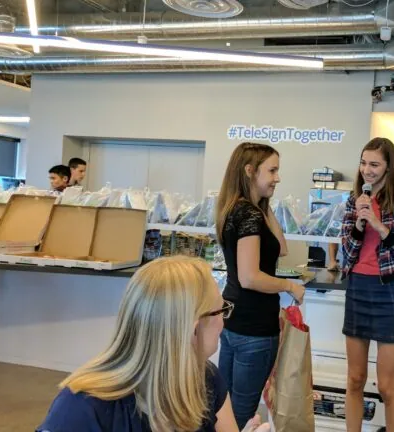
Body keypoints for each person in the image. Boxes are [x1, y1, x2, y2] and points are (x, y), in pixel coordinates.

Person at [36, 256, 270, 432]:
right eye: (222, 310)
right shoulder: (82, 408)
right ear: (194, 328)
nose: (224, 321)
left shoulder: (204, 378)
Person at [215, 142, 305, 429]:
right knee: (240, 413)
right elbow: (250, 276)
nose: (277, 178)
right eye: (272, 170)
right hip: (255, 329)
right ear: (250, 171)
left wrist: (265, 202)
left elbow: (280, 248)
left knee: (222, 407)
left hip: (232, 323)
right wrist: (289, 286)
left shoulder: (238, 210)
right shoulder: (249, 215)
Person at [340, 137, 394, 432]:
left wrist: (377, 223)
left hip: (390, 291)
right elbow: (347, 253)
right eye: (363, 163)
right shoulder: (353, 201)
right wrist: (358, 227)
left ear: (389, 167)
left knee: (387, 385)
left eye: (374, 164)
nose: (367, 170)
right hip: (359, 287)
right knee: (355, 379)